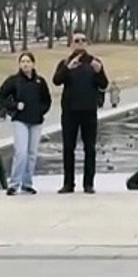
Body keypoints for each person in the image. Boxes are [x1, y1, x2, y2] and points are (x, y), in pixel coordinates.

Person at [52, 32, 109, 194]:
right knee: (68, 148)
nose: (80, 43)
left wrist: (99, 72)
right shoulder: (65, 62)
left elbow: (104, 84)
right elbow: (56, 81)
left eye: (83, 40)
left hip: (89, 111)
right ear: (71, 44)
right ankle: (68, 183)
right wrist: (67, 69)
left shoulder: (94, 62)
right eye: (77, 41)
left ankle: (88, 183)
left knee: (89, 148)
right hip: (70, 111)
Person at [0, 51, 52, 195]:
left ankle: (27, 183)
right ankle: (14, 183)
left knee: (32, 153)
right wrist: (14, 106)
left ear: (33, 64)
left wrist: (41, 111)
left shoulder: (40, 82)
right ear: (20, 64)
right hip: (20, 120)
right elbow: (1, 97)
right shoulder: (14, 81)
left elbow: (47, 100)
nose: (25, 64)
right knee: (21, 152)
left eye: (28, 61)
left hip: (36, 121)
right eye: (23, 62)